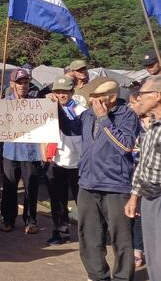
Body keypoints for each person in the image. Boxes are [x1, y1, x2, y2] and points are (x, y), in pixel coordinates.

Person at [78, 77, 139, 281]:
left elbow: (125, 146)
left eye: (95, 96)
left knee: (121, 236)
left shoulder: (127, 115)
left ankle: (122, 277)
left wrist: (104, 119)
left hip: (115, 184)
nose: (91, 99)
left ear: (111, 97)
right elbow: (69, 129)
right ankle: (97, 275)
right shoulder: (87, 115)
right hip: (87, 182)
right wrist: (57, 108)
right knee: (89, 235)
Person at [0, 69, 44, 234]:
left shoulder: (37, 104)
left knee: (31, 188)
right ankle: (8, 219)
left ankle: (31, 221)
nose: (23, 86)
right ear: (12, 84)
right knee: (9, 188)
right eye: (19, 83)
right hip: (10, 153)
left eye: (26, 83)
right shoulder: (4, 104)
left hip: (30, 153)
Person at [126, 75, 161, 281]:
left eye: (143, 94)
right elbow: (142, 166)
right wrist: (134, 196)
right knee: (152, 250)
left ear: (157, 96)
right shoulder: (151, 129)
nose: (139, 99)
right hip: (148, 197)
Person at [43, 76, 86, 245]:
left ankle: (87, 234)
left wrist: (57, 109)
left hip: (77, 162)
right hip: (56, 159)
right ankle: (61, 233)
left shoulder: (80, 111)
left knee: (82, 201)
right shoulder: (47, 109)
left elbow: (71, 127)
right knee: (57, 200)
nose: (61, 95)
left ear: (72, 92)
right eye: (57, 92)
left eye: (64, 92)